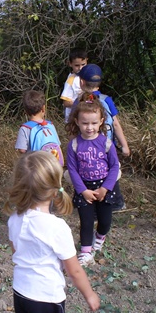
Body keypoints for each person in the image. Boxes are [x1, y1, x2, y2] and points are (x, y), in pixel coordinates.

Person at [0, 151, 100, 313]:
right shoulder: (56, 227)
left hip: (21, 292)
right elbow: (74, 270)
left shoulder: (14, 218)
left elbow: (15, 250)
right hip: (47, 299)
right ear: (54, 189)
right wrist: (89, 294)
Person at [66, 93, 120, 266]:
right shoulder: (74, 145)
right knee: (86, 221)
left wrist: (105, 188)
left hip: (105, 187)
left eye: (94, 123)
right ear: (77, 122)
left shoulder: (106, 143)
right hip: (84, 188)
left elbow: (114, 167)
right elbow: (72, 170)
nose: (89, 127)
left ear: (102, 121)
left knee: (105, 221)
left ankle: (100, 237)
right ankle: (86, 251)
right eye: (85, 123)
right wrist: (83, 191)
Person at [76, 63, 129, 211]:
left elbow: (74, 125)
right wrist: (124, 145)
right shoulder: (107, 100)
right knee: (111, 170)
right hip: (106, 145)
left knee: (87, 171)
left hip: (85, 145)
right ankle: (116, 202)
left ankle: (88, 202)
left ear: (81, 82)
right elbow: (116, 124)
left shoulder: (79, 102)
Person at [14, 90, 63, 163]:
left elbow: (22, 150)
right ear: (43, 108)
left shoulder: (25, 128)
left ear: (26, 112)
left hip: (37, 166)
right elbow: (57, 144)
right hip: (53, 165)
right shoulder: (50, 125)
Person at [60, 48, 87, 123]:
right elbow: (66, 102)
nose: (80, 68)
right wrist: (82, 105)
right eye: (77, 65)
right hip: (73, 119)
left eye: (83, 64)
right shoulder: (71, 80)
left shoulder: (86, 76)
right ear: (70, 64)